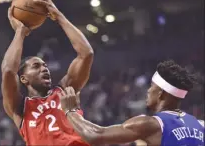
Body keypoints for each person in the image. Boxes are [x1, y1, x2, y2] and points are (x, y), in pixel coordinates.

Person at [1, 0, 93, 146]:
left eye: (44, 65)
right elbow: (8, 71)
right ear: (23, 78)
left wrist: (59, 16)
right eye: (36, 66)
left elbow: (86, 54)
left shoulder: (65, 90)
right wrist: (20, 32)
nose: (44, 68)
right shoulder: (20, 108)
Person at [59, 60, 204, 146]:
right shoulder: (198, 124)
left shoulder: (150, 124)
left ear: (160, 94)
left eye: (152, 87)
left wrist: (70, 111)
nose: (148, 91)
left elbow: (96, 135)